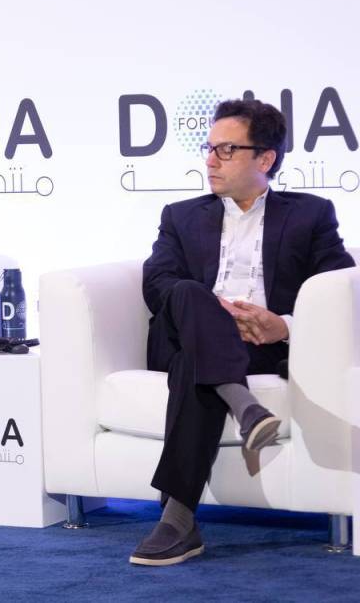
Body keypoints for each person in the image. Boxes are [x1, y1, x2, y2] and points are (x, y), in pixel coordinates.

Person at [130, 99, 355, 565]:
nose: (211, 160)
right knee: (188, 293)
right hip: (186, 332)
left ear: (265, 158)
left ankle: (178, 520)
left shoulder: (311, 215)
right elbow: (157, 284)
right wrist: (213, 312)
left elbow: (340, 290)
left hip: (257, 346)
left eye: (227, 149)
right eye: (209, 148)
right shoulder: (180, 215)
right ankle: (244, 404)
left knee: (194, 365)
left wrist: (283, 326)